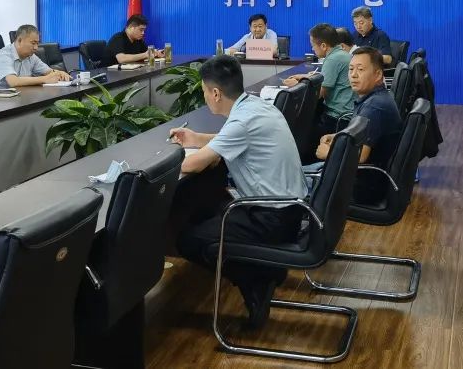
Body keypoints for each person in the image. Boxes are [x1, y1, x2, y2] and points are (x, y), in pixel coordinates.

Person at [170, 55, 307, 330]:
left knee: (187, 240)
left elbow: (194, 164)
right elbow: (229, 138)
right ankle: (266, 269)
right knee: (207, 208)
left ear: (215, 93)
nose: (205, 97)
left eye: (204, 91)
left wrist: (160, 163)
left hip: (272, 218)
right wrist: (197, 139)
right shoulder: (256, 107)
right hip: (291, 209)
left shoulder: (241, 121)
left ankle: (256, 281)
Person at [315, 46, 401, 173]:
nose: (353, 75)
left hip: (364, 178)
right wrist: (337, 136)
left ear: (378, 74)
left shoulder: (374, 107)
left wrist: (328, 152)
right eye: (351, 69)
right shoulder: (374, 98)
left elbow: (360, 156)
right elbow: (359, 135)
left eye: (360, 69)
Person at [283, 24, 354, 152]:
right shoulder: (340, 54)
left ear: (323, 46)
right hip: (345, 113)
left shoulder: (333, 59)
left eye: (313, 45)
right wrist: (305, 77)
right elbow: (327, 78)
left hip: (338, 118)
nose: (312, 48)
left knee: (300, 134)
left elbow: (318, 93)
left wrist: (297, 85)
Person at [0, 24, 70, 90]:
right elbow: (13, 82)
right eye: (33, 43)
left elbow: (48, 72)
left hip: (16, 96)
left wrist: (59, 73)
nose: (36, 48)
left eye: (37, 43)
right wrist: (45, 79)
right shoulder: (4, 55)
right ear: (19, 40)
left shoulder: (31, 56)